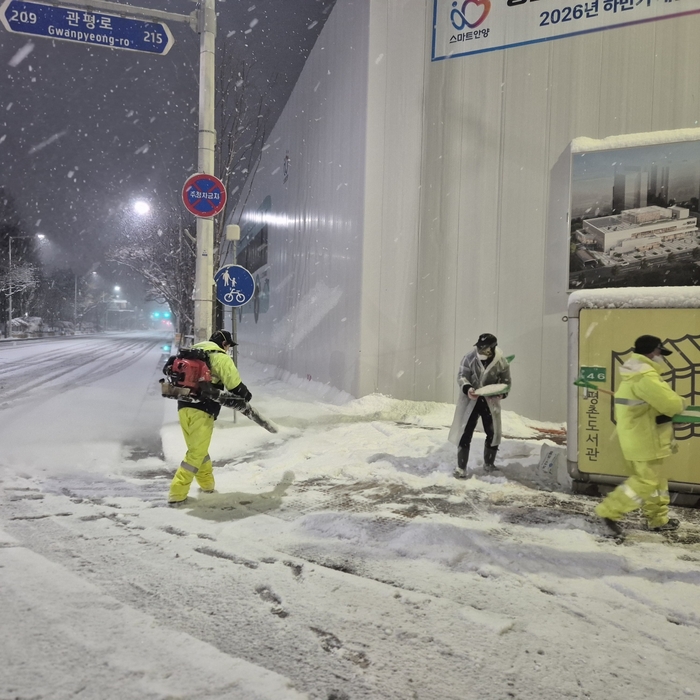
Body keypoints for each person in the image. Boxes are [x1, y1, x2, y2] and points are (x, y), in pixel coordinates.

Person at [595, 334, 686, 535]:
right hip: (647, 438)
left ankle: (657, 519)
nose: (661, 357)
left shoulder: (633, 373)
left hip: (638, 436)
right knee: (646, 482)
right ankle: (610, 511)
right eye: (660, 353)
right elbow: (671, 404)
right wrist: (681, 404)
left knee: (656, 482)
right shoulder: (645, 376)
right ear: (653, 352)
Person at [168, 329, 252, 506]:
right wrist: (246, 396)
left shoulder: (194, 350)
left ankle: (207, 485)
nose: (228, 349)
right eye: (228, 345)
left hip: (183, 405)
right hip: (203, 408)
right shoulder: (220, 357)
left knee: (198, 449)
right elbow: (234, 385)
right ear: (224, 344)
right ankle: (177, 493)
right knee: (196, 453)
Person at [448, 333, 511, 479]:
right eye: (480, 348)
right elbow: (462, 376)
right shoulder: (469, 358)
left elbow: (506, 382)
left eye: (486, 349)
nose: (482, 352)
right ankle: (461, 467)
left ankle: (489, 463)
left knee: (493, 432)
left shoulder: (501, 361)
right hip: (472, 400)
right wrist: (468, 388)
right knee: (465, 432)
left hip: (490, 402)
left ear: (493, 349)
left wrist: (501, 393)